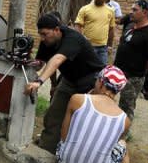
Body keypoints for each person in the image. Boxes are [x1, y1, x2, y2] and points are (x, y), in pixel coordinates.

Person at [25, 14, 105, 153]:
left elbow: (57, 60)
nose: (42, 38)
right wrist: (28, 62)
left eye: (45, 34)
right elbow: (42, 62)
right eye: (40, 35)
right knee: (54, 114)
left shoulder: (72, 38)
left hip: (90, 81)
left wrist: (39, 81)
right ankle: (47, 147)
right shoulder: (47, 41)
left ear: (57, 30)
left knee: (81, 120)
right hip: (69, 79)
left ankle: (73, 154)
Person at [56, 65, 131, 163]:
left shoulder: (77, 99)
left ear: (101, 82)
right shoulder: (125, 120)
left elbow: (64, 136)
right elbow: (113, 145)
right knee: (124, 146)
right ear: (118, 90)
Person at [114, 0, 148, 121]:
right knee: (107, 101)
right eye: (131, 9)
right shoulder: (130, 27)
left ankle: (122, 137)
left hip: (133, 77)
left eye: (135, 10)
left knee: (126, 108)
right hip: (117, 73)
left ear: (145, 12)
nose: (131, 12)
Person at [74, 0, 116, 65]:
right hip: (88, 47)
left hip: (103, 48)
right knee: (86, 69)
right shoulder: (85, 9)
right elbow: (78, 25)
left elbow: (111, 29)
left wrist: (110, 46)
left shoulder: (110, 11)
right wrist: (81, 40)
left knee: (102, 71)